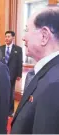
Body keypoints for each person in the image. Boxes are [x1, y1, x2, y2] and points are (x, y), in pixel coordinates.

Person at [11, 6, 59, 134]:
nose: (23, 37)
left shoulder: (54, 83)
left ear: (44, 36)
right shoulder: (47, 72)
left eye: (27, 30)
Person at [0, 31, 23, 117]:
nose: (6, 38)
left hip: (12, 74)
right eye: (6, 36)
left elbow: (19, 62)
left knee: (10, 93)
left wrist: (19, 74)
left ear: (13, 38)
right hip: (2, 74)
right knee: (2, 92)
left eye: (9, 36)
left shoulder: (18, 49)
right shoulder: (1, 48)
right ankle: (2, 110)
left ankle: (10, 111)